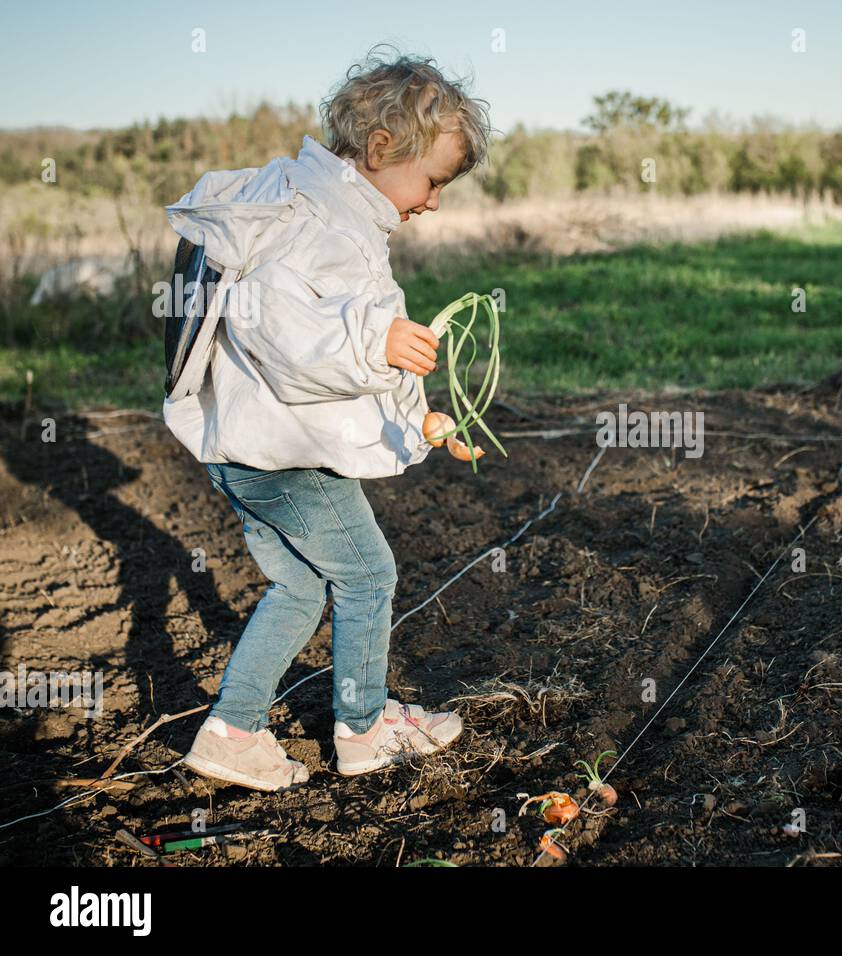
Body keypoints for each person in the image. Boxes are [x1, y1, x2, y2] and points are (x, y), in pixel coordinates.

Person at [163, 47, 493, 791]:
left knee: (304, 587)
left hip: (248, 446)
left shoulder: (337, 216)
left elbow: (349, 353)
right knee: (369, 574)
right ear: (382, 149)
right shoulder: (314, 224)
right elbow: (285, 336)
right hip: (280, 457)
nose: (435, 200)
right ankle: (366, 731)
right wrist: (374, 342)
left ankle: (233, 730)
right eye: (434, 180)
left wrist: (420, 418)